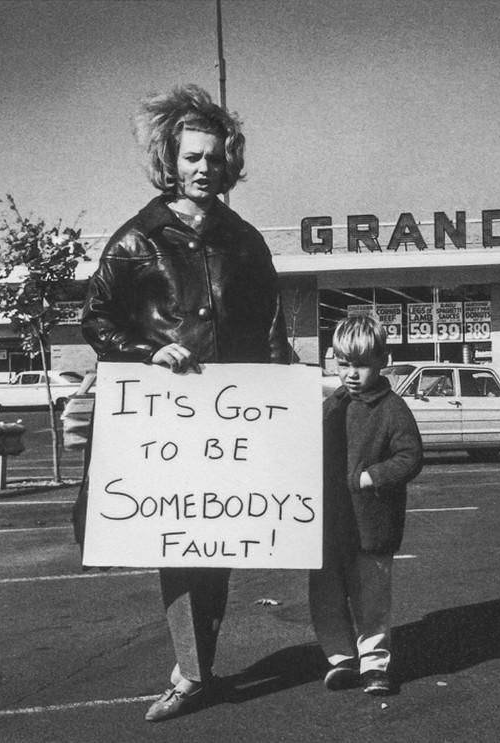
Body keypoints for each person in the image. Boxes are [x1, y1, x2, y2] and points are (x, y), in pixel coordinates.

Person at [79, 83, 291, 723]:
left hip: (236, 420)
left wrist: (291, 393)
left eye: (215, 158)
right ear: (170, 161)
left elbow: (273, 328)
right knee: (178, 541)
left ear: (230, 163)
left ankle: (198, 667)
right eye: (192, 157)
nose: (204, 169)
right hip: (169, 420)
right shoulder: (136, 238)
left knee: (220, 545)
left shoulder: (246, 240)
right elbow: (95, 320)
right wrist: (147, 353)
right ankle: (192, 673)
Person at [309, 315, 423, 696]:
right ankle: (340, 659)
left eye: (361, 365)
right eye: (344, 364)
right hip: (327, 524)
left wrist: (371, 476)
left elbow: (410, 457)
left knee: (371, 598)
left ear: (382, 361)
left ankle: (375, 664)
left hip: (372, 525)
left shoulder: (392, 408)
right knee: (325, 595)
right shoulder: (331, 405)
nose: (352, 374)